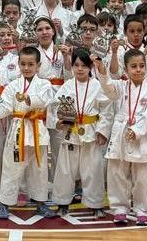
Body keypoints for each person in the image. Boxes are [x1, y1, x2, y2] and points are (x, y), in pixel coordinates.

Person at [98, 49, 147, 226]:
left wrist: (138, 130)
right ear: (126, 69)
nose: (138, 70)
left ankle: (142, 209)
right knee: (117, 172)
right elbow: (108, 88)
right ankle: (120, 208)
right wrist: (102, 71)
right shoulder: (120, 86)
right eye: (133, 66)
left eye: (141, 66)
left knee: (142, 176)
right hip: (121, 133)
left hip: (140, 135)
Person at [0, 46, 56, 219]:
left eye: (31, 64)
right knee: (11, 168)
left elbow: (45, 101)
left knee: (39, 168)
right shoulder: (12, 86)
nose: (27, 68)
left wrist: (29, 99)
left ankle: (40, 202)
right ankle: (5, 203)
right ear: (19, 64)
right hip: (18, 131)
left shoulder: (45, 84)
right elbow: (5, 106)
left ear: (38, 66)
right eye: (23, 64)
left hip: (37, 130)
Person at [49, 48, 109, 217]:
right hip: (71, 132)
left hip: (91, 132)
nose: (80, 69)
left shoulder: (98, 86)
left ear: (91, 67)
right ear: (72, 66)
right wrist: (58, 121)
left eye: (84, 65)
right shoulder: (67, 86)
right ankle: (62, 202)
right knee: (65, 169)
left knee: (93, 169)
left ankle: (96, 203)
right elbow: (54, 107)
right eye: (76, 65)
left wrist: (103, 131)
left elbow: (106, 111)